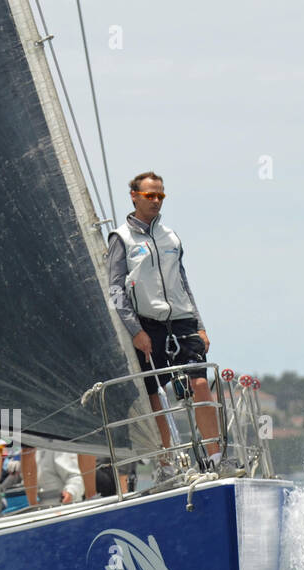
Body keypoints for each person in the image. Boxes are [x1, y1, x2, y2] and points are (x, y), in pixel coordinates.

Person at [107, 171, 222, 470]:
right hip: (147, 325)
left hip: (182, 322)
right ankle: (166, 462)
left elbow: (183, 282)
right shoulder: (121, 238)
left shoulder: (171, 237)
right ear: (134, 196)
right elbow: (115, 290)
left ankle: (216, 456)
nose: (156, 200)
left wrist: (200, 324)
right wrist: (134, 331)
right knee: (154, 394)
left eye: (160, 195)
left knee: (199, 384)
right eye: (150, 195)